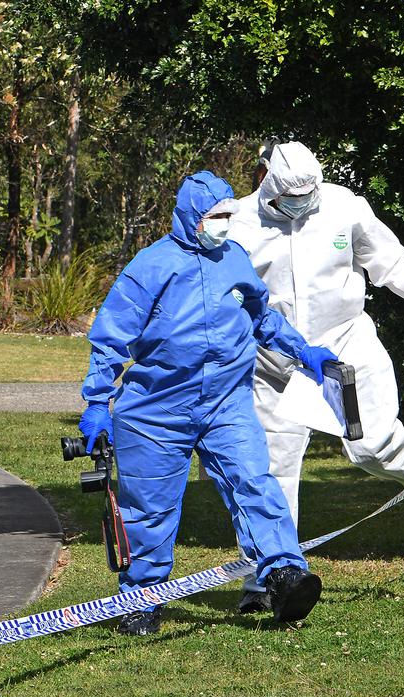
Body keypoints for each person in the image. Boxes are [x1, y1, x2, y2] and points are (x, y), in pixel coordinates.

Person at [80, 170, 338, 635]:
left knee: (254, 482)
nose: (224, 222)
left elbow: (263, 319)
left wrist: (304, 351)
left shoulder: (234, 258)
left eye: (228, 214)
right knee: (150, 509)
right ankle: (141, 600)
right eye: (216, 216)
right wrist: (98, 402)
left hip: (226, 403)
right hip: (156, 410)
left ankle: (283, 575)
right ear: (192, 217)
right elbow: (110, 338)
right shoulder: (150, 267)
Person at [227, 141, 404, 613]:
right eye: (292, 195)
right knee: (272, 469)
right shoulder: (240, 224)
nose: (303, 202)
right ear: (266, 179)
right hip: (277, 362)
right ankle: (269, 580)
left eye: (310, 193)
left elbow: (391, 263)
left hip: (346, 346)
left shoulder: (345, 207)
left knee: (372, 445)